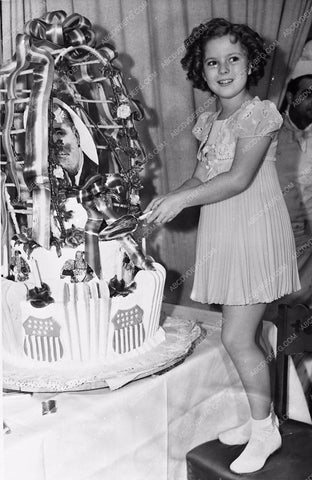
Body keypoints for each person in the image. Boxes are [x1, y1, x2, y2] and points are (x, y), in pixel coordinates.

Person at [145, 18, 300, 474]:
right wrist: (170, 199)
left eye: (234, 59)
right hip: (223, 229)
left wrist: (183, 198)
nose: (224, 69)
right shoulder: (210, 120)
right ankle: (261, 419)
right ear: (201, 70)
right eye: (213, 62)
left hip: (253, 229)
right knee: (239, 337)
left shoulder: (260, 114)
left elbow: (237, 179)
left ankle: (266, 429)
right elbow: (204, 176)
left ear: (250, 63)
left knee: (236, 336)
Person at [275, 40, 312, 306]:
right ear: (290, 97)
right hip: (276, 236)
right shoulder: (270, 136)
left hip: (308, 240)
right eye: (308, 94)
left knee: (300, 309)